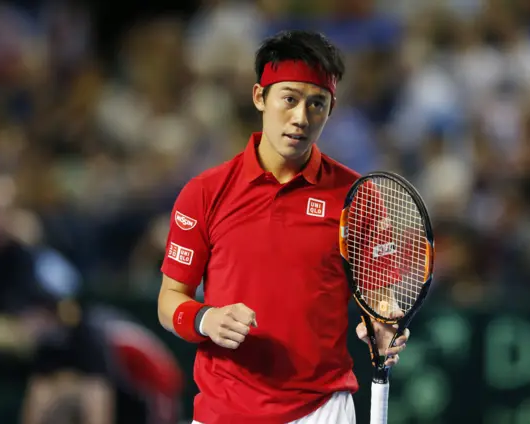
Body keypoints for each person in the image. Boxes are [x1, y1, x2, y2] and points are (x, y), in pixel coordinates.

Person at [157, 29, 410, 424]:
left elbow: (380, 299)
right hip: (222, 410)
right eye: (289, 99)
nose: (301, 118)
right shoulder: (203, 193)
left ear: (331, 108)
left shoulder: (357, 198)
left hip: (322, 410)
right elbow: (170, 299)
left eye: (317, 104)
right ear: (260, 96)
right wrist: (206, 319)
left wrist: (383, 323)